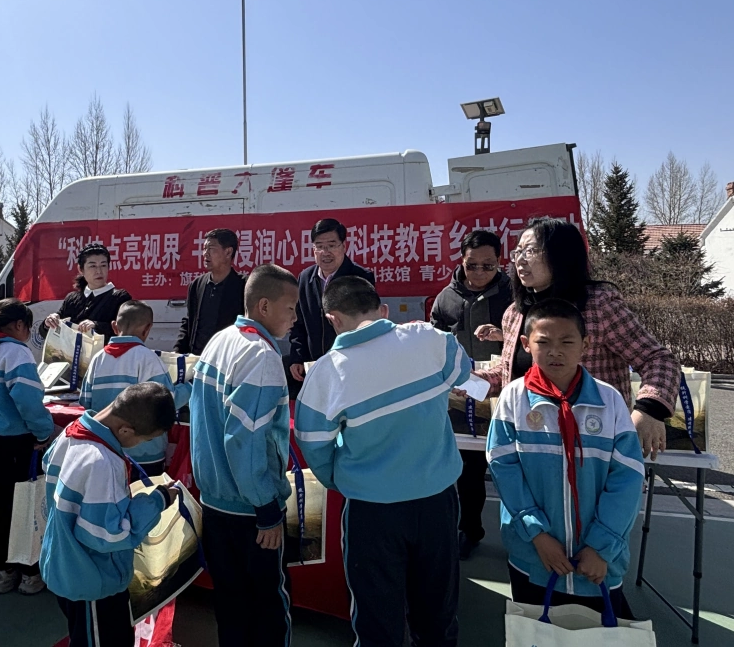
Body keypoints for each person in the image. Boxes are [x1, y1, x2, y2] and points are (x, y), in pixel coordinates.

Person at [294, 277, 468, 647]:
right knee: (438, 616)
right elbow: (463, 373)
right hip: (437, 502)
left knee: (377, 622)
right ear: (383, 310)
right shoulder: (429, 339)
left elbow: (313, 442)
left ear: (333, 319)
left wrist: (341, 478)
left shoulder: (326, 371)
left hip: (371, 512)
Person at [472, 217, 679, 460]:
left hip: (594, 447)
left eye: (530, 251)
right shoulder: (515, 313)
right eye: (518, 252)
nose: (520, 260)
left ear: (561, 254)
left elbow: (657, 359)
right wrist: (470, 381)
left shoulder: (598, 304)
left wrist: (650, 409)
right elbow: (510, 373)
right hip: (531, 445)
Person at [487, 299, 644, 617]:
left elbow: (627, 477)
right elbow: (504, 468)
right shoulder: (513, 398)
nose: (555, 352)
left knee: (598, 632)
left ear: (585, 344)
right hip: (534, 557)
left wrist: (600, 546)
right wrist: (538, 535)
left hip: (596, 563)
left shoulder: (609, 401)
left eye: (567, 342)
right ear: (525, 344)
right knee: (535, 630)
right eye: (543, 342)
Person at [190, 264, 298, 647]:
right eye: (291, 308)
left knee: (231, 606)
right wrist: (266, 510)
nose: (295, 318)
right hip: (251, 512)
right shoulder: (261, 356)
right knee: (268, 610)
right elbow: (246, 442)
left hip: (214, 503)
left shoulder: (220, 340)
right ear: (264, 306)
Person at [40, 382, 180, 647]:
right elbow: (106, 534)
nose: (141, 446)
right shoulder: (102, 462)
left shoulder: (72, 432)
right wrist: (157, 500)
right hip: (93, 581)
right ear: (125, 429)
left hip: (66, 566)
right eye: (145, 439)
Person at [430, 229, 513, 560]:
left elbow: (533, 340)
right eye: (471, 265)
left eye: (487, 266)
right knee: (467, 467)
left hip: (506, 395)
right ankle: (468, 529)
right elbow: (434, 344)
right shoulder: (445, 298)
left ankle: (526, 534)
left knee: (513, 466)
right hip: (461, 397)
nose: (478, 272)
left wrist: (503, 335)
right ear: (461, 261)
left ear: (499, 262)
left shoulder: (514, 296)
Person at [0, 299, 55, 596]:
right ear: (20, 325)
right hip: (18, 441)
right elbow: (28, 400)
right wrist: (43, 432)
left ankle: (3, 572)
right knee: (27, 507)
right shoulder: (17, 352)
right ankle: (30, 574)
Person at [80, 300, 190, 478]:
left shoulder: (97, 359)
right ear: (147, 329)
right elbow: (167, 402)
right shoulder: (149, 359)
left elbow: (85, 403)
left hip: (106, 451)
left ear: (114, 326)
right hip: (147, 456)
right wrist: (190, 388)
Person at [289, 218, 375, 384]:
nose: (325, 252)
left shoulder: (360, 278)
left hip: (352, 366)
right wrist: (297, 357)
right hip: (315, 366)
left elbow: (368, 324)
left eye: (331, 245)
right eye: (319, 246)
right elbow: (298, 324)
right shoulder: (305, 278)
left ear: (344, 246)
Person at [174, 228, 246, 356]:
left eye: (211, 249)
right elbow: (189, 322)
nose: (205, 254)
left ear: (228, 252)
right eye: (204, 249)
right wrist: (178, 352)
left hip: (226, 359)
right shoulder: (197, 285)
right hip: (197, 359)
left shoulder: (244, 286)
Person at [40, 243, 132, 342]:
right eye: (92, 266)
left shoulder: (120, 297)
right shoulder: (72, 299)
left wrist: (97, 326)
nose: (99, 271)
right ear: (81, 269)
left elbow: (128, 330)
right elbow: (49, 333)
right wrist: (48, 323)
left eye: (103, 265)